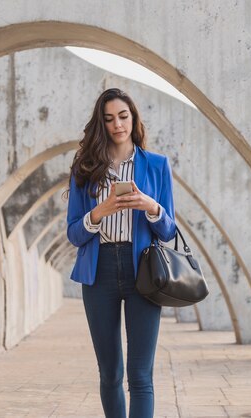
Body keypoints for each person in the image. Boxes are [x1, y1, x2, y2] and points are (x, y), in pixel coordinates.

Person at [66, 88, 176, 418]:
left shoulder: (156, 165)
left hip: (142, 270)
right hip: (98, 273)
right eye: (110, 118)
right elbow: (73, 233)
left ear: (133, 118)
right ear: (102, 124)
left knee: (140, 375)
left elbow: (169, 231)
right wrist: (98, 213)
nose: (118, 125)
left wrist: (150, 206)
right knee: (110, 373)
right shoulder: (85, 170)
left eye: (123, 116)